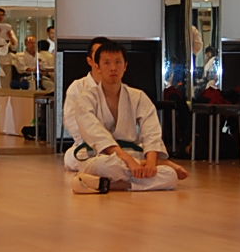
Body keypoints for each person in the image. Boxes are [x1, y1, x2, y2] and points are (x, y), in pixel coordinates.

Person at [65, 41, 184, 193]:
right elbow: (94, 132)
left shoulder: (138, 96)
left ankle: (107, 184)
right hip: (100, 155)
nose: (113, 68)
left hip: (132, 154)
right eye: (107, 63)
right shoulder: (86, 98)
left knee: (170, 176)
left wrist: (151, 162)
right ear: (97, 66)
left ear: (125, 66)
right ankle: (143, 172)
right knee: (102, 166)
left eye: (118, 62)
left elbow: (151, 131)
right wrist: (129, 161)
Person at [0, 7, 18, 88]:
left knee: (3, 84)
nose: (1, 17)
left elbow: (11, 47)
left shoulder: (7, 28)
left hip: (3, 61)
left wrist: (10, 37)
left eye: (2, 15)